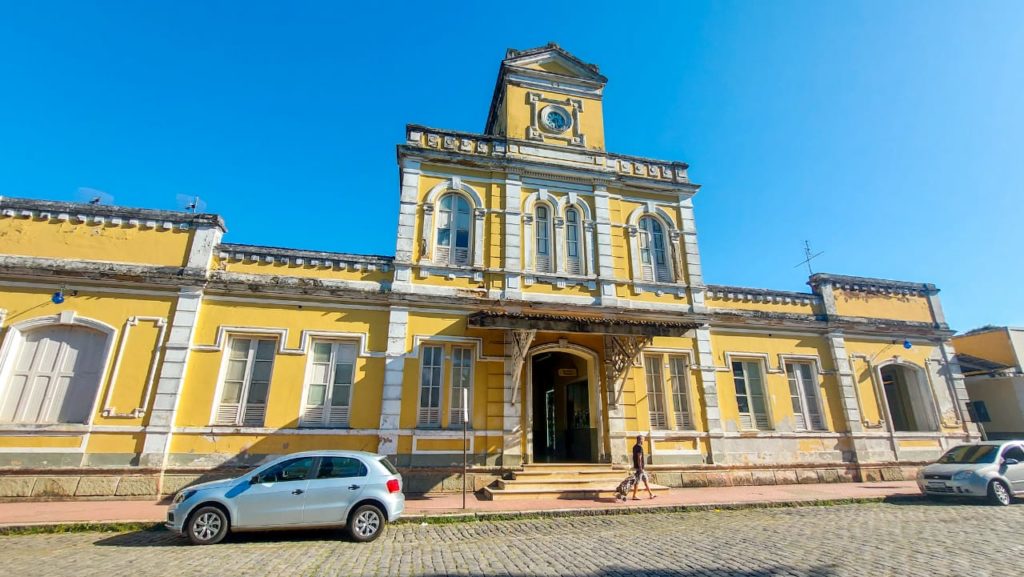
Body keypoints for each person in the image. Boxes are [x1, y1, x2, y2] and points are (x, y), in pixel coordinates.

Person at [631, 434, 655, 500]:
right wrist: (640, 468)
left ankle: (651, 494)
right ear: (640, 440)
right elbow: (639, 458)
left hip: (638, 467)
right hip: (640, 468)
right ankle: (634, 496)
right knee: (637, 481)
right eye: (643, 439)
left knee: (645, 480)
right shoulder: (639, 447)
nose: (644, 440)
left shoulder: (634, 447)